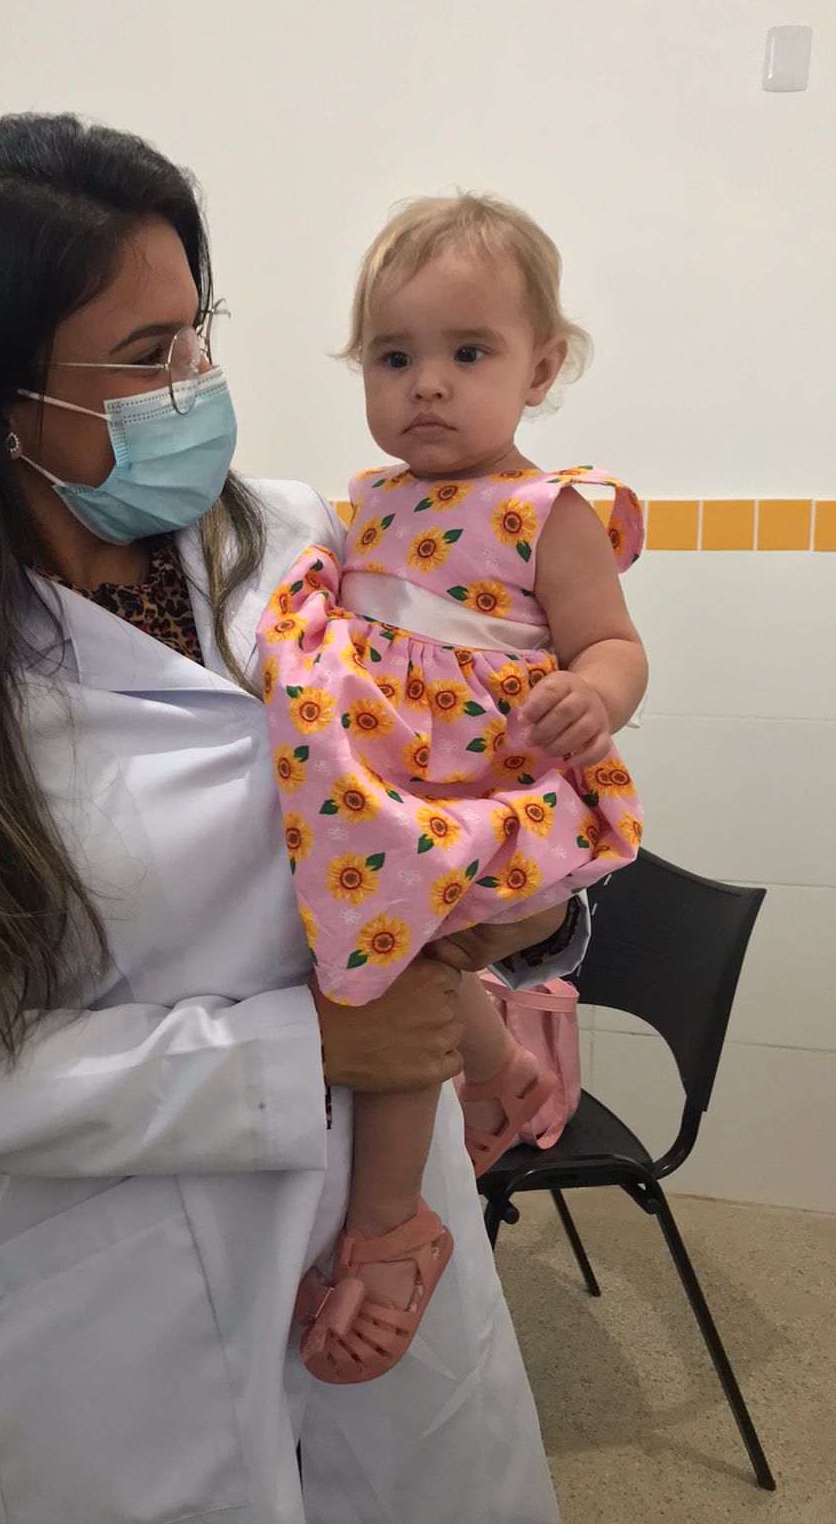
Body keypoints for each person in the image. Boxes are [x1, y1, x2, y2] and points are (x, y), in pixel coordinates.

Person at [0, 114, 578, 1524]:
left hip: (391, 1227)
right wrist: (308, 1046)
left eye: (196, 333)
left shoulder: (307, 543)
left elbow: (475, 757)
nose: (196, 386)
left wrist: (520, 914)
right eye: (146, 357)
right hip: (129, 1298)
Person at [258, 194, 647, 1386]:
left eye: (468, 352)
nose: (427, 384)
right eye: (394, 357)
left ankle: (392, 1228)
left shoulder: (549, 511)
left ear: (544, 366)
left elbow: (614, 644)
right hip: (391, 815)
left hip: (499, 811)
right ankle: (507, 1068)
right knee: (388, 938)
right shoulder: (370, 501)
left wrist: (594, 693)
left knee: (383, 969)